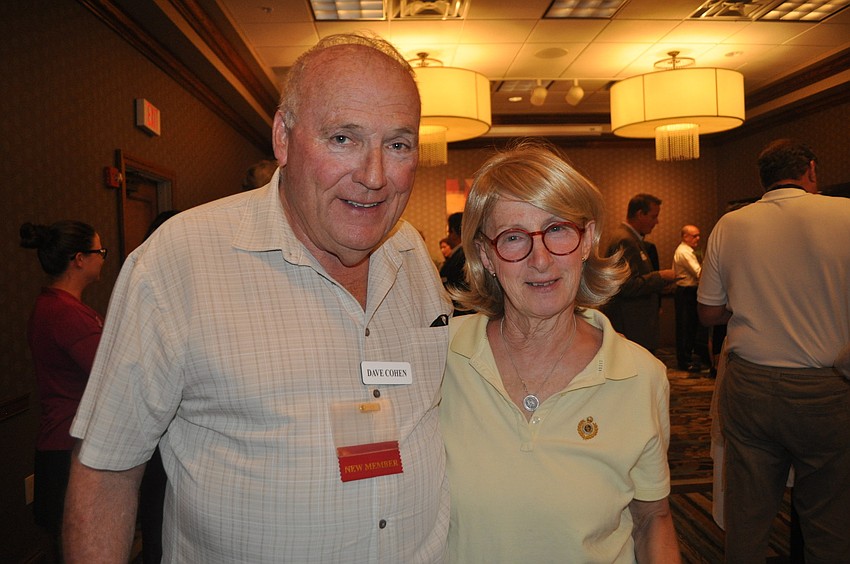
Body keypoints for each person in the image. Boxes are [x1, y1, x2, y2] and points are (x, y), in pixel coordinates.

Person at [63, 33, 452, 563]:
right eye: (343, 138)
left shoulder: (409, 252)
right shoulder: (180, 262)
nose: (374, 176)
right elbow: (106, 472)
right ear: (283, 138)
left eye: (399, 144)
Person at [441, 141, 681, 562]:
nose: (541, 260)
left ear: (587, 239)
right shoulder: (439, 357)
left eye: (557, 230)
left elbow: (652, 518)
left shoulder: (642, 375)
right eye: (514, 237)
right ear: (486, 255)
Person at [698, 139, 850, 563]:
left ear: (762, 180)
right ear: (812, 171)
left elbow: (709, 314)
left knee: (748, 514)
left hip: (751, 384)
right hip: (828, 387)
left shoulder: (731, 224)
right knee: (830, 519)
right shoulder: (847, 214)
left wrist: (752, 303)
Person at [19, 220, 106, 561]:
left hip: (65, 440)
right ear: (80, 259)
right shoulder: (63, 312)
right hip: (67, 445)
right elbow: (109, 375)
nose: (104, 259)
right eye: (100, 251)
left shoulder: (58, 306)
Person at [601, 193, 675, 352]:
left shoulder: (633, 239)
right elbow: (626, 285)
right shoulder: (625, 240)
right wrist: (660, 277)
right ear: (640, 214)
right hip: (631, 325)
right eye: (654, 216)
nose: (657, 222)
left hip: (635, 323)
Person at [672, 225, 710, 372]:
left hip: (690, 292)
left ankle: (687, 359)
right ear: (685, 237)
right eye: (694, 236)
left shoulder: (689, 251)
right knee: (685, 327)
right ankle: (685, 361)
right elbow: (699, 273)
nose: (698, 239)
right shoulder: (684, 252)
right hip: (686, 292)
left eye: (699, 235)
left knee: (690, 327)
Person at [440, 212, 472, 315]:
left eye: (449, 232)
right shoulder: (467, 252)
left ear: (453, 232)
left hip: (461, 311)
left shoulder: (462, 254)